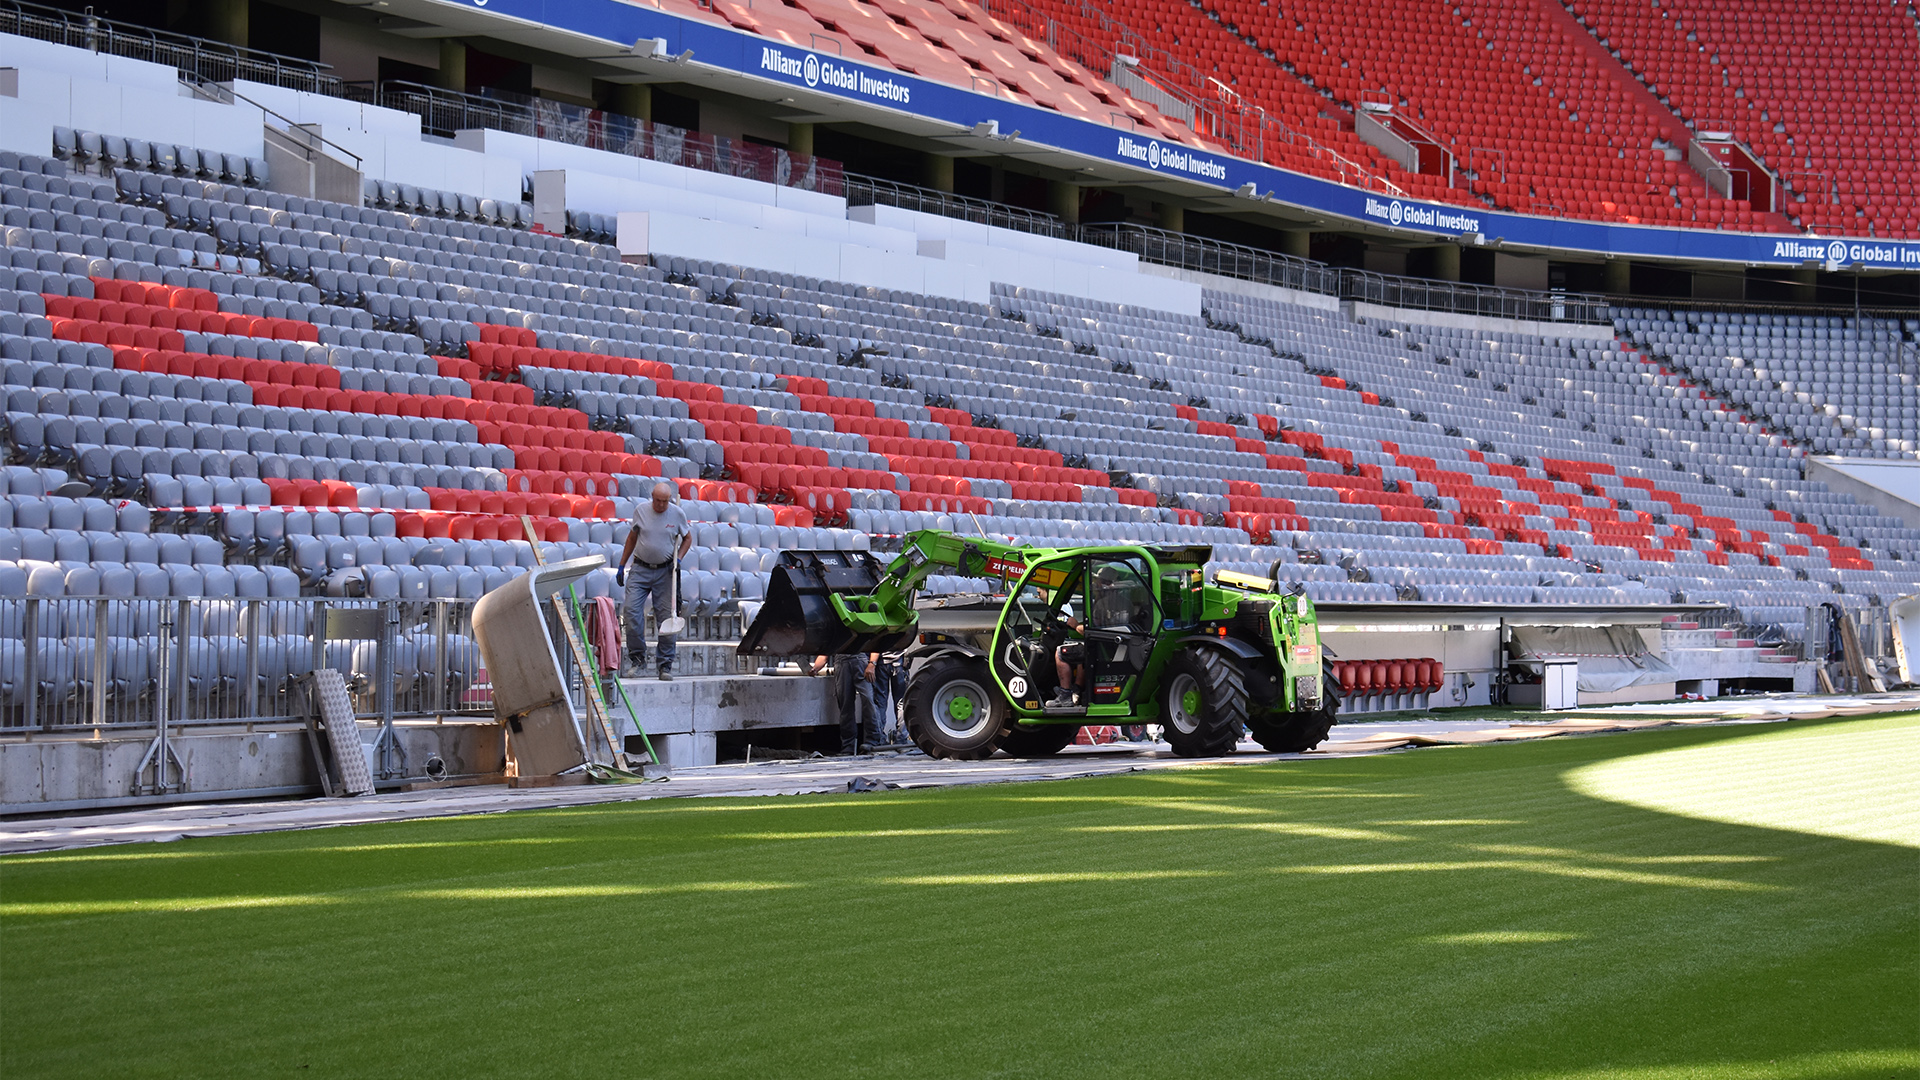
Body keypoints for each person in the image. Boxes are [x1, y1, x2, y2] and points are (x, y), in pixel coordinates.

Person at [615, 482, 692, 681]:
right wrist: (622, 565)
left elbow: (687, 538)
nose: (661, 505)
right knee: (631, 612)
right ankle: (637, 658)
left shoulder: (677, 514)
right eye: (658, 501)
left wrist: (679, 559)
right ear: (652, 497)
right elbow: (632, 538)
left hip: (665, 570)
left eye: (665, 501)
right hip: (640, 568)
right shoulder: (640, 511)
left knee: (667, 617)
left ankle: (665, 664)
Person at [1050, 564, 1153, 708]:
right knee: (1081, 652)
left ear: (1104, 583)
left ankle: (1065, 694)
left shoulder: (1101, 604)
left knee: (1061, 652)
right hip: (1120, 646)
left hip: (1103, 647)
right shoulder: (1126, 603)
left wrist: (1074, 625)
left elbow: (1089, 631)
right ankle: (1078, 689)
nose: (1095, 584)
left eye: (1098, 581)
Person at [811, 653, 880, 755]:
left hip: (861, 661)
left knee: (869, 703)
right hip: (841, 663)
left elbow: (874, 644)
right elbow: (825, 653)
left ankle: (872, 744)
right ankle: (848, 747)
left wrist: (872, 664)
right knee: (845, 707)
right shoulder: (836, 636)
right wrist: (815, 669)